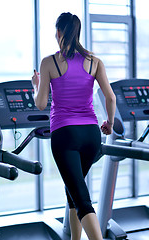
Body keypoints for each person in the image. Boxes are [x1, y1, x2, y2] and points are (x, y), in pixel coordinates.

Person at [32, 12, 116, 240]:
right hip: (91, 135)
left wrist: (36, 85)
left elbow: (40, 104)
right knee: (73, 191)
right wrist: (108, 122)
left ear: (59, 32)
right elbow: (110, 98)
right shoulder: (94, 61)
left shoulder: (49, 62)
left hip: (65, 135)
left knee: (81, 197)